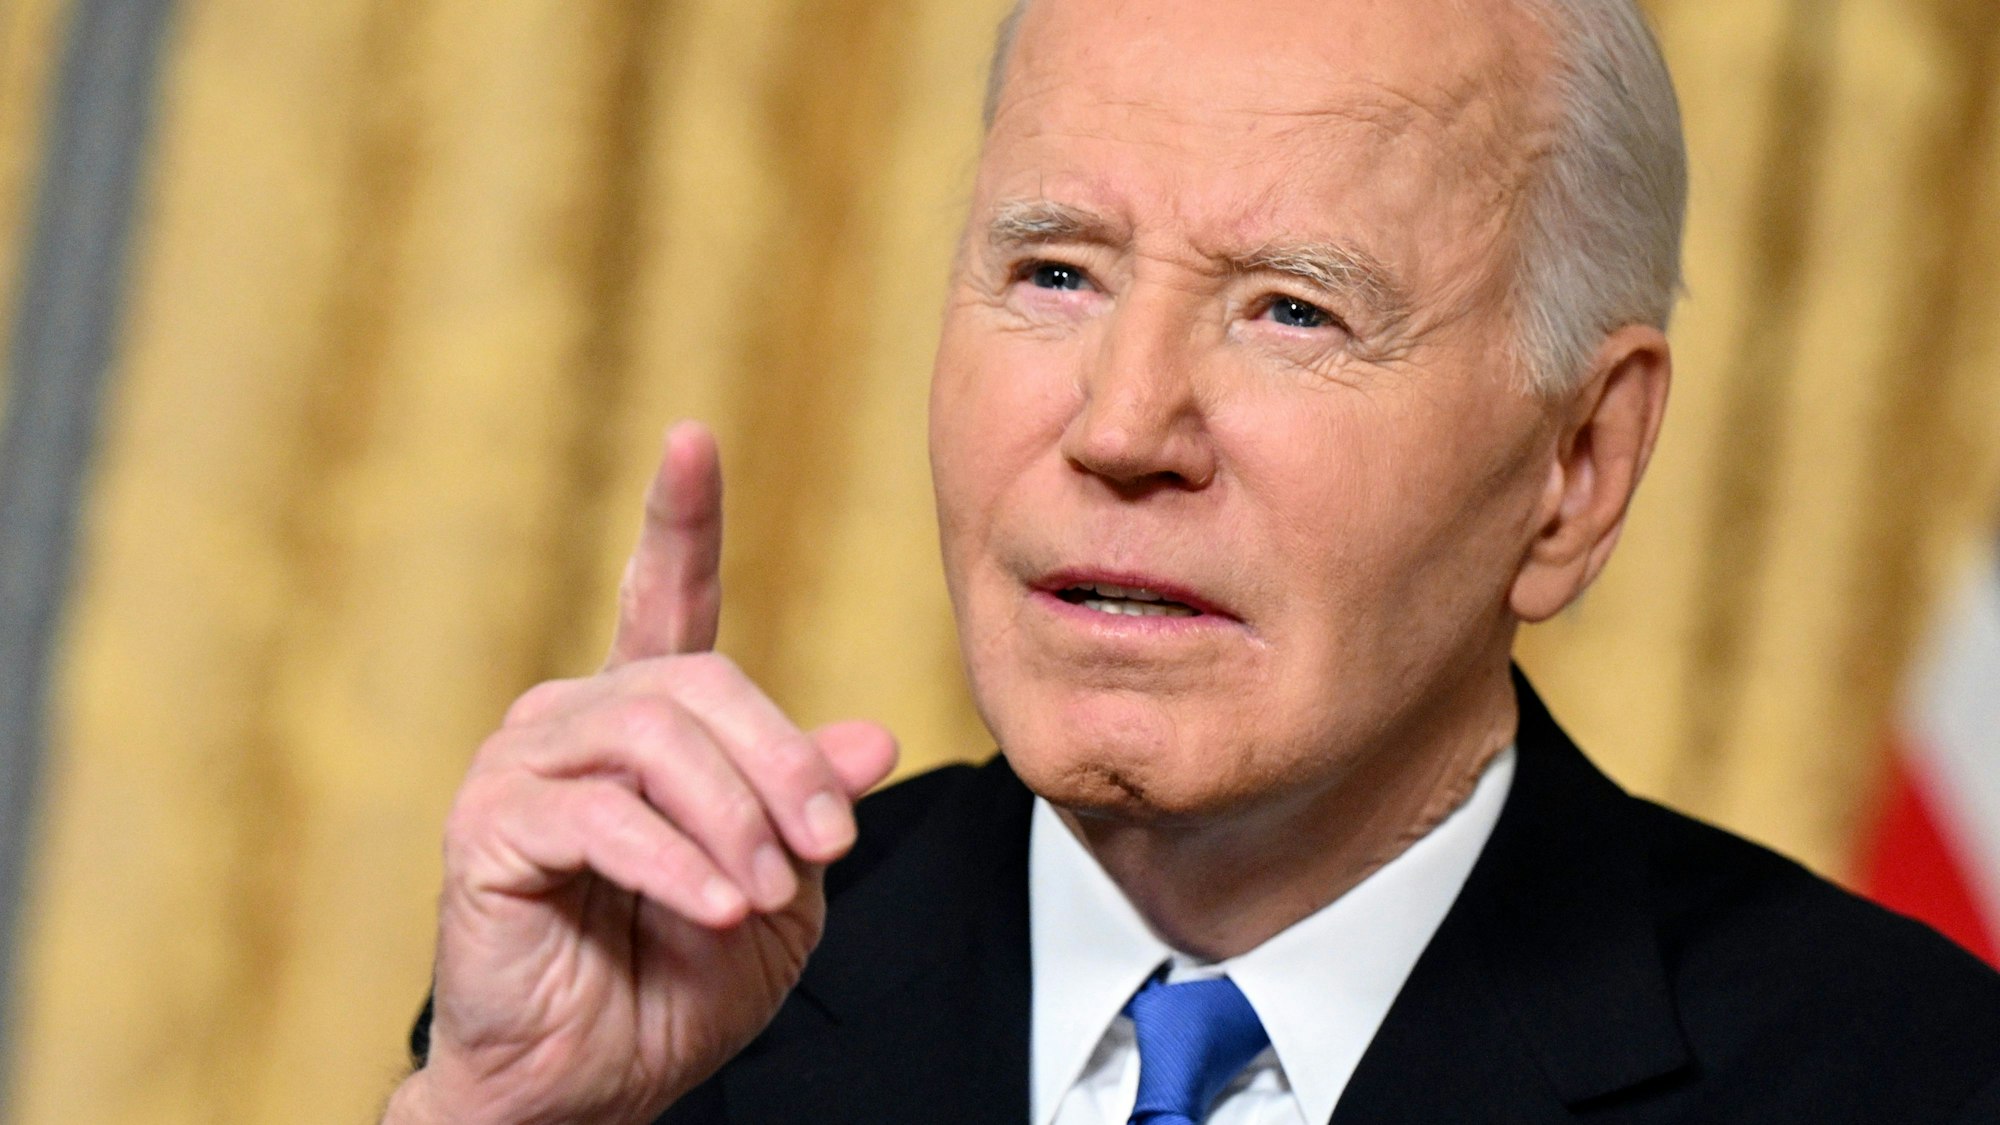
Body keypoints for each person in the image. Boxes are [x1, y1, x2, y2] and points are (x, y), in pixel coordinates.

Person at [381, 0, 2000, 1121]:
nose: (1122, 423)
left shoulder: (1906, 1080)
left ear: (1576, 466)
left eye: (1293, 308)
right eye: (1057, 270)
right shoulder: (672, 996)